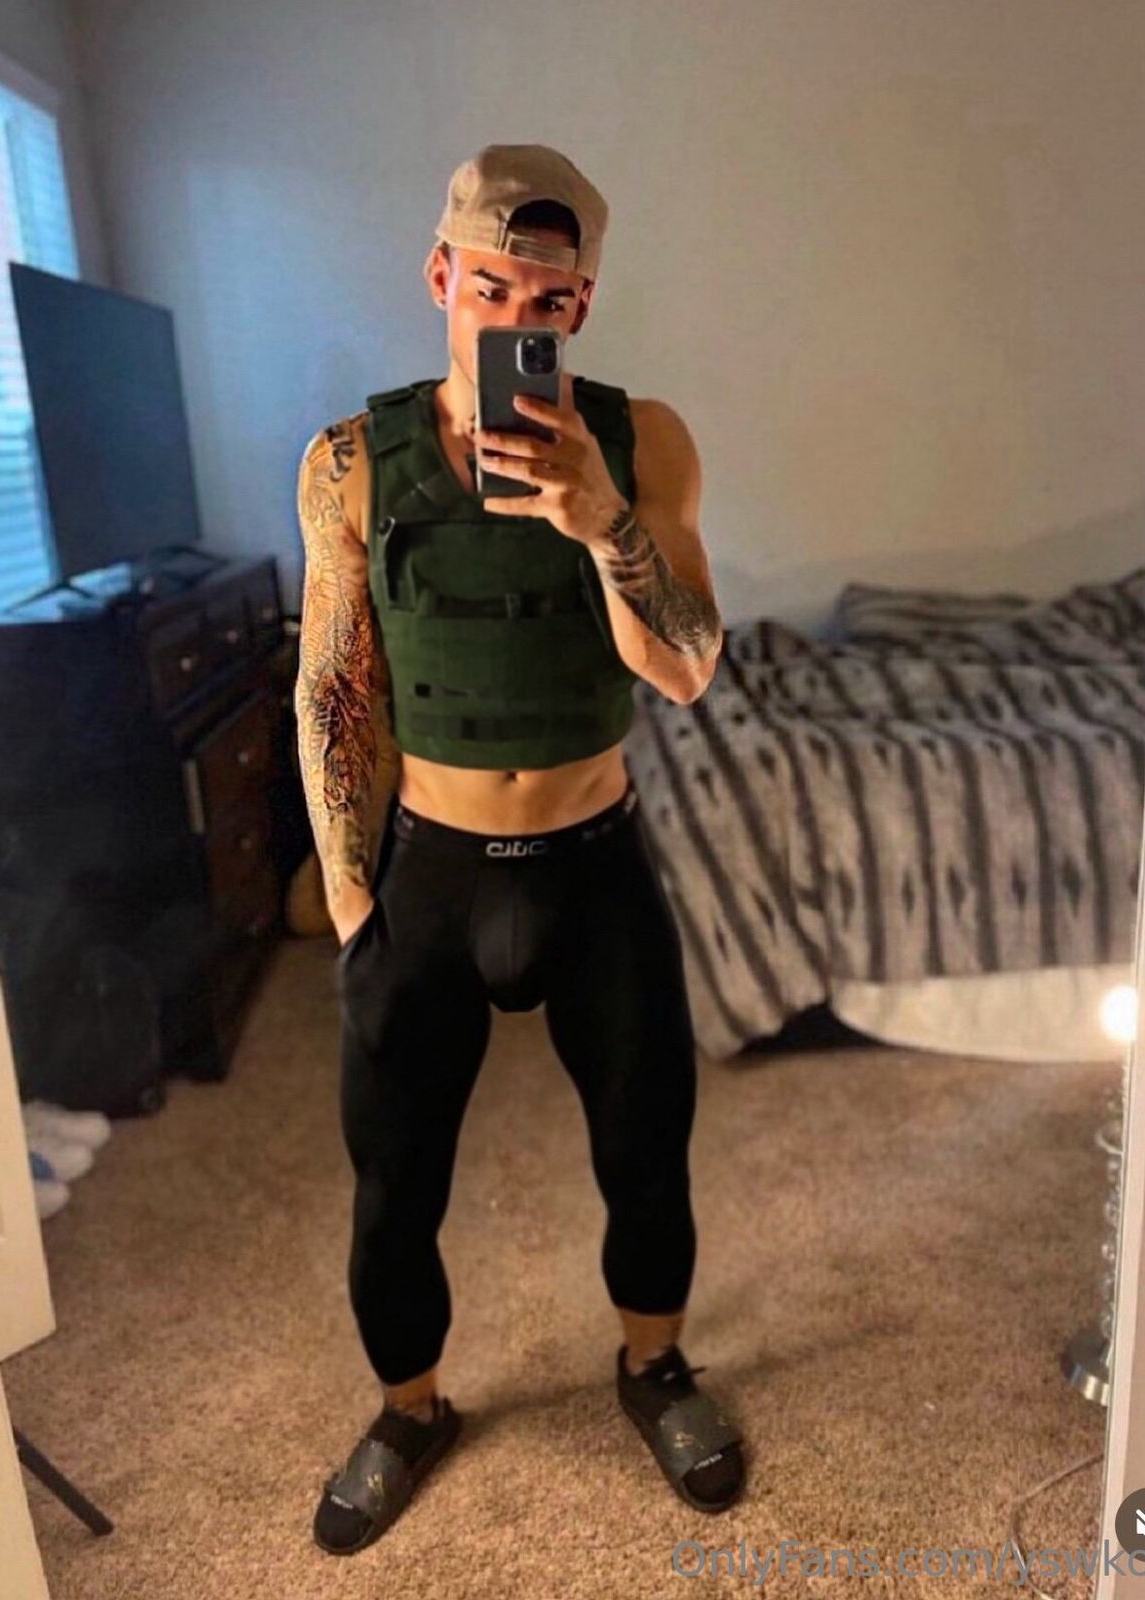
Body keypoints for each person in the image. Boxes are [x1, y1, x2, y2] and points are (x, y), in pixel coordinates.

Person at [294, 142, 745, 1557]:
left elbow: (688, 668)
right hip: (428, 871)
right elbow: (334, 686)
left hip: (593, 862)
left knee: (648, 1145)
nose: (516, 321)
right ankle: (409, 1408)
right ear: (441, 276)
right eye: (490, 289)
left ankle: (654, 1368)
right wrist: (354, 903)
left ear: (583, 307)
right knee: (394, 1177)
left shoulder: (643, 440)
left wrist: (600, 521)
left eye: (548, 302)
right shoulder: (348, 461)